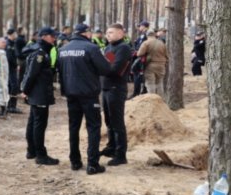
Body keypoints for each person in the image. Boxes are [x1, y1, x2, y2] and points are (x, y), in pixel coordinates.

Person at [58, 23, 111, 175]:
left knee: (73, 127)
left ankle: (75, 161)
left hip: (71, 94)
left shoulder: (63, 50)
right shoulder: (91, 48)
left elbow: (60, 72)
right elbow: (105, 69)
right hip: (88, 94)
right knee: (93, 127)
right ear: (86, 33)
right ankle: (93, 164)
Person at [21, 27, 59, 165]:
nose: (54, 38)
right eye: (52, 36)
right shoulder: (40, 53)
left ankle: (31, 150)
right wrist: (25, 90)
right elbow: (31, 73)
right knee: (39, 124)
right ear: (44, 36)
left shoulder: (42, 50)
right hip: (39, 93)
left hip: (38, 92)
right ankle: (40, 155)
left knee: (33, 122)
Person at [99, 24, 133, 166]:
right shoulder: (108, 48)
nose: (108, 34)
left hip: (116, 88)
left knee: (117, 122)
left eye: (111, 32)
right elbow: (107, 66)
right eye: (107, 32)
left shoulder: (124, 48)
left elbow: (115, 69)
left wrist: (100, 65)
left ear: (121, 33)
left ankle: (121, 154)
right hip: (105, 88)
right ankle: (111, 146)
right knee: (108, 121)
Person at [137, 30, 168, 97]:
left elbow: (139, 54)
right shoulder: (162, 43)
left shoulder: (146, 43)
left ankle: (152, 100)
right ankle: (161, 100)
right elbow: (167, 55)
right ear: (154, 35)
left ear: (147, 35)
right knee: (160, 83)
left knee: (150, 83)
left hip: (150, 65)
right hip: (161, 65)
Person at [5, 28, 22, 114]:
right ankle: (11, 106)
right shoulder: (8, 44)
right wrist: (15, 65)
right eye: (15, 33)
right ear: (12, 34)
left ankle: (12, 105)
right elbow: (9, 57)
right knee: (13, 86)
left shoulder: (13, 43)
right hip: (10, 68)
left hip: (13, 68)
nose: (16, 35)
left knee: (13, 86)